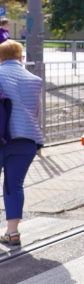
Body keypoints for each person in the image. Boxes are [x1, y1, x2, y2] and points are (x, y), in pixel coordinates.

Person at [0, 40, 43, 247]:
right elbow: (35, 112)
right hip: (26, 140)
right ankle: (13, 232)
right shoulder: (34, 80)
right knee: (14, 185)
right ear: (21, 57)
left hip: (2, 138)